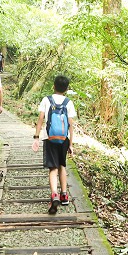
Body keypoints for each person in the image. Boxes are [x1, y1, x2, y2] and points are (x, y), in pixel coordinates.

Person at [32, 75, 76, 214]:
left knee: (53, 168)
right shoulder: (68, 102)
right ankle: (64, 194)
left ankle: (54, 194)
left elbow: (40, 119)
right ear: (67, 89)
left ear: (54, 86)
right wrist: (71, 143)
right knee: (62, 165)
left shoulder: (47, 99)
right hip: (64, 138)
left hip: (49, 137)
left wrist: (37, 136)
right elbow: (70, 124)